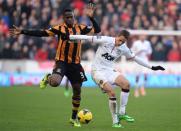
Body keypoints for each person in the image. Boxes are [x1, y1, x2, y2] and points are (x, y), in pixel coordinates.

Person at [9, 1, 101, 127]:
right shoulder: (59, 29)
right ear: (64, 19)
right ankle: (48, 77)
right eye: (67, 17)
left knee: (77, 90)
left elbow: (98, 30)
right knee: (55, 82)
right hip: (62, 62)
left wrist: (91, 17)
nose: (70, 19)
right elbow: (42, 33)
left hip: (75, 64)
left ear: (74, 17)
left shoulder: (81, 28)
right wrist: (23, 31)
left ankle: (73, 118)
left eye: (71, 17)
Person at [69, 30, 165, 128]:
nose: (120, 43)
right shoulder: (106, 40)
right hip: (97, 71)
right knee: (112, 92)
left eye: (123, 42)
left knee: (126, 84)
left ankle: (122, 113)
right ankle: (115, 122)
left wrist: (152, 67)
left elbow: (135, 58)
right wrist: (69, 37)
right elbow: (87, 38)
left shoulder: (124, 48)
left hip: (109, 71)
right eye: (120, 40)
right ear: (117, 36)